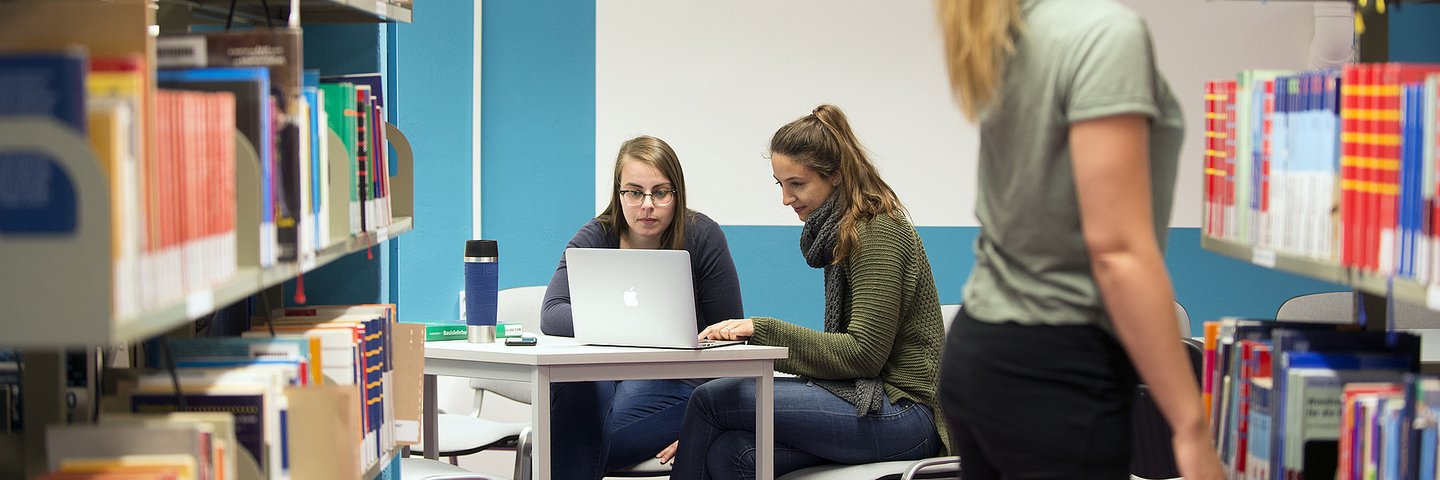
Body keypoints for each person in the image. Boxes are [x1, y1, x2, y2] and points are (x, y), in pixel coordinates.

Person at [934, 1, 1225, 479]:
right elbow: (1115, 250)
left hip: (981, 349)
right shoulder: (1104, 34)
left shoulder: (1014, 27)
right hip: (1058, 371)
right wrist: (1190, 426)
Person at [665, 104, 947, 480]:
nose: (786, 198)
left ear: (836, 176)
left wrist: (760, 330)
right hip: (877, 402)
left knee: (712, 399)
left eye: (796, 184)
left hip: (907, 415)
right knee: (733, 454)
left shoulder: (878, 231)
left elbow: (863, 355)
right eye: (780, 184)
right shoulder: (842, 231)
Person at [540, 135, 744, 480]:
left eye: (660, 192)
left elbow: (732, 335)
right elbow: (552, 313)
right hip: (609, 376)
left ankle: (541, 462)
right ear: (618, 194)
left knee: (561, 445)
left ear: (676, 194)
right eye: (634, 192)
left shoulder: (702, 236)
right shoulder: (596, 236)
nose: (647, 205)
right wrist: (632, 322)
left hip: (682, 381)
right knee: (577, 385)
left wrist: (710, 425)